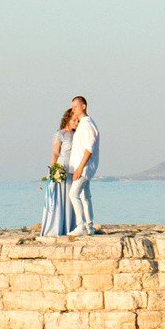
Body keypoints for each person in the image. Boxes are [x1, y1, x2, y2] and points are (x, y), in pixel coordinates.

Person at [38, 107, 78, 236]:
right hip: (62, 166)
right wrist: (53, 169)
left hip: (73, 167)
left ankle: (70, 226)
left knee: (71, 197)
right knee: (59, 198)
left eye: (78, 121)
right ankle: (55, 227)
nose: (76, 123)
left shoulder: (77, 134)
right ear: (67, 119)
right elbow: (55, 153)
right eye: (74, 120)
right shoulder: (59, 134)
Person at [63, 96, 100, 234]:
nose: (73, 109)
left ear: (83, 106)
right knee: (85, 196)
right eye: (72, 107)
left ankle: (81, 225)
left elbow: (89, 148)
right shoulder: (82, 124)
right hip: (81, 166)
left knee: (74, 194)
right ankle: (89, 226)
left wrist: (79, 168)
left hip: (84, 167)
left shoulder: (88, 124)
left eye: (76, 107)